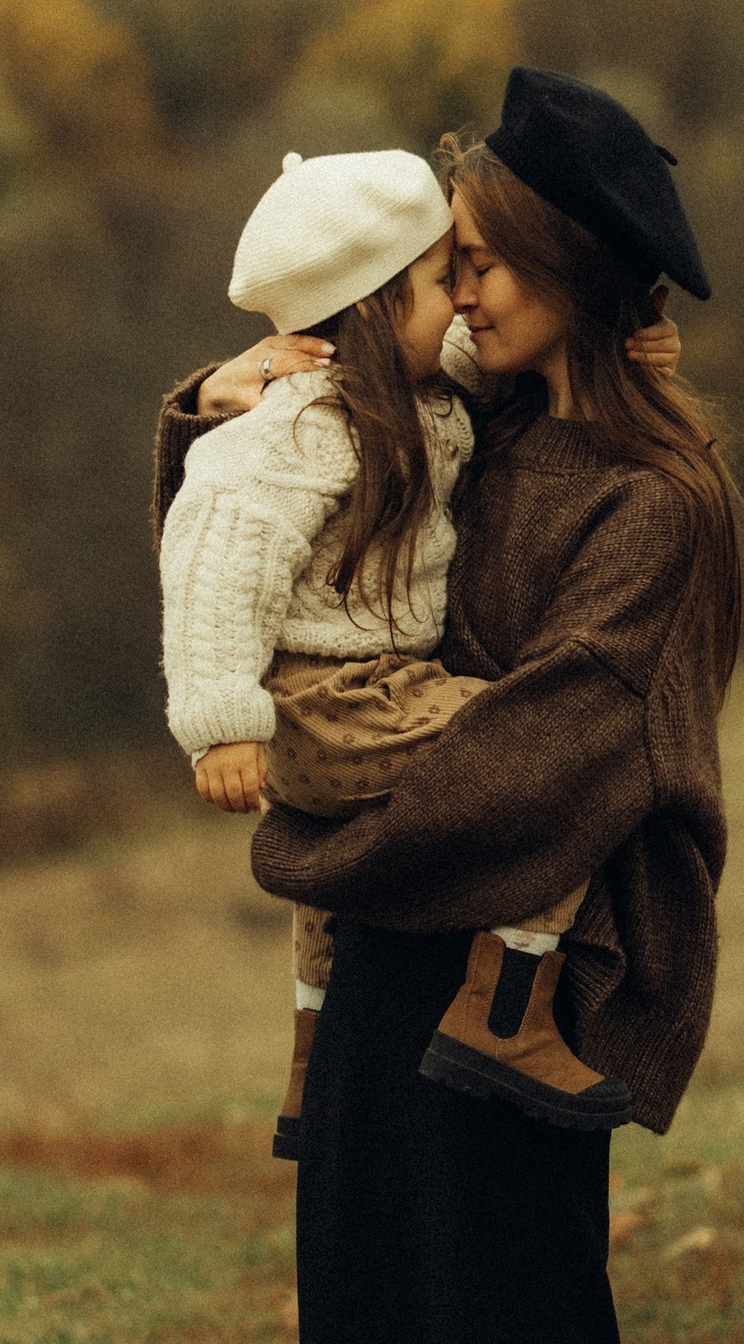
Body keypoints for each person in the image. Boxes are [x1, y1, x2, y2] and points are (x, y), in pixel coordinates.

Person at [151, 67, 741, 1344]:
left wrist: (323, 785)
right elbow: (245, 538)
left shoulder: (651, 505)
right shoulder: (433, 416)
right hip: (388, 960)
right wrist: (212, 396)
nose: (455, 291)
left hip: (529, 981)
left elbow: (556, 762)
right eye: (445, 266)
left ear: (570, 271)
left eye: (481, 262)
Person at [159, 143, 652, 1159]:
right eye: (441, 282)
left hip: (367, 692)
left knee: (328, 896)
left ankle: (311, 1055)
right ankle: (506, 1006)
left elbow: (499, 360)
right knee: (558, 766)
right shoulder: (294, 430)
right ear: (377, 308)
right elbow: (214, 556)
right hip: (330, 700)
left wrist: (619, 336)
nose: (464, 302)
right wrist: (219, 724)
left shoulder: (413, 392)